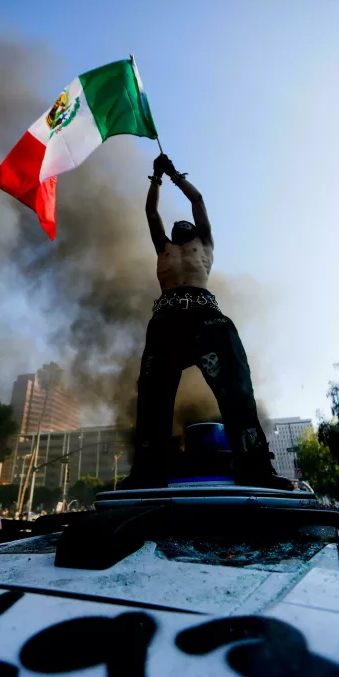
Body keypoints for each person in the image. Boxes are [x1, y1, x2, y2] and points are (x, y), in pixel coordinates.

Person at [123, 154, 292, 490]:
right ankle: (148, 470)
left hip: (207, 318)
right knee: (152, 398)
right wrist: (155, 178)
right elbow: (151, 212)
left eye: (189, 225)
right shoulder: (164, 248)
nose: (182, 226)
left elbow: (197, 200)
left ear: (197, 232)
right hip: (167, 319)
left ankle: (255, 464)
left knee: (238, 390)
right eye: (177, 227)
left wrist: (173, 175)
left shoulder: (205, 244)